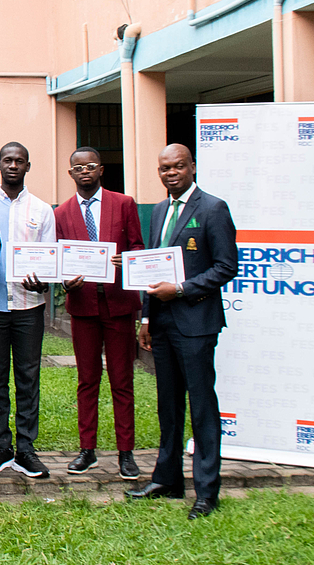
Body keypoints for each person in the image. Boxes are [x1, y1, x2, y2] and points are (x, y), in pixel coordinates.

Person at [129, 144, 237, 520]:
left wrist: (181, 290)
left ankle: (207, 491)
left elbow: (226, 267)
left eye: (177, 166)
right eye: (164, 168)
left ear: (192, 167)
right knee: (168, 405)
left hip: (196, 322)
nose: (170, 173)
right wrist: (145, 318)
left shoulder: (212, 208)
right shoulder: (159, 210)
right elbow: (149, 270)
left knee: (201, 405)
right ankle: (167, 479)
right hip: (161, 323)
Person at [54, 147, 145, 480]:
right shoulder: (61, 213)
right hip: (84, 306)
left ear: (101, 169)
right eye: (78, 167)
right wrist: (67, 279)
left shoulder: (124, 204)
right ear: (71, 174)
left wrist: (129, 261)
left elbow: (137, 246)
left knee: (122, 380)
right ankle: (87, 450)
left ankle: (126, 453)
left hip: (119, 304)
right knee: (87, 380)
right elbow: (60, 258)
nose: (85, 171)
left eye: (91, 166)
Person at [0, 142, 55, 479]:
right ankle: (1, 446)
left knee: (27, 377)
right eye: (7, 160)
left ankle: (26, 448)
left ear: (28, 166)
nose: (13, 165)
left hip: (28, 306)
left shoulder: (42, 210)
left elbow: (50, 258)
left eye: (19, 161)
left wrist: (45, 282)